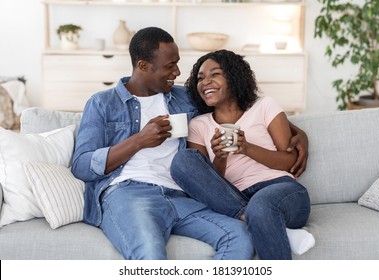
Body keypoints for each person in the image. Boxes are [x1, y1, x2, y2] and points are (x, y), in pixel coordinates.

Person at [71, 27, 308, 260]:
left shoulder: (185, 98)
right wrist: (139, 141)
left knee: (239, 238)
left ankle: (257, 221)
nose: (177, 72)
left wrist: (299, 132)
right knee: (150, 254)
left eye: (177, 63)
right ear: (143, 66)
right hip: (130, 193)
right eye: (169, 66)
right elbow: (82, 165)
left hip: (183, 195)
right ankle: (256, 219)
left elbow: (235, 104)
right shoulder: (102, 103)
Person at [170, 49, 314, 260]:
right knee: (183, 160)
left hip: (281, 190)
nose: (205, 82)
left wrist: (247, 148)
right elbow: (208, 186)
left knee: (262, 205)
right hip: (234, 198)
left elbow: (290, 162)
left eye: (214, 74)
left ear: (234, 76)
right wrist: (220, 157)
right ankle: (257, 221)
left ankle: (256, 218)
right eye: (200, 78)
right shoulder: (199, 125)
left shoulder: (264, 106)